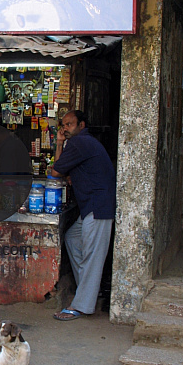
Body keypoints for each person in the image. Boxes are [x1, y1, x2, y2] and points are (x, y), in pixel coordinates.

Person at [50, 110, 116, 321]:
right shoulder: (84, 143)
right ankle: (89, 290)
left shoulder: (80, 142)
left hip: (98, 207)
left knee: (92, 257)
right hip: (92, 206)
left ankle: (81, 306)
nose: (65, 129)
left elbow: (56, 171)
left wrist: (59, 145)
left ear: (81, 125)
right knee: (73, 238)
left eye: (69, 125)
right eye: (63, 125)